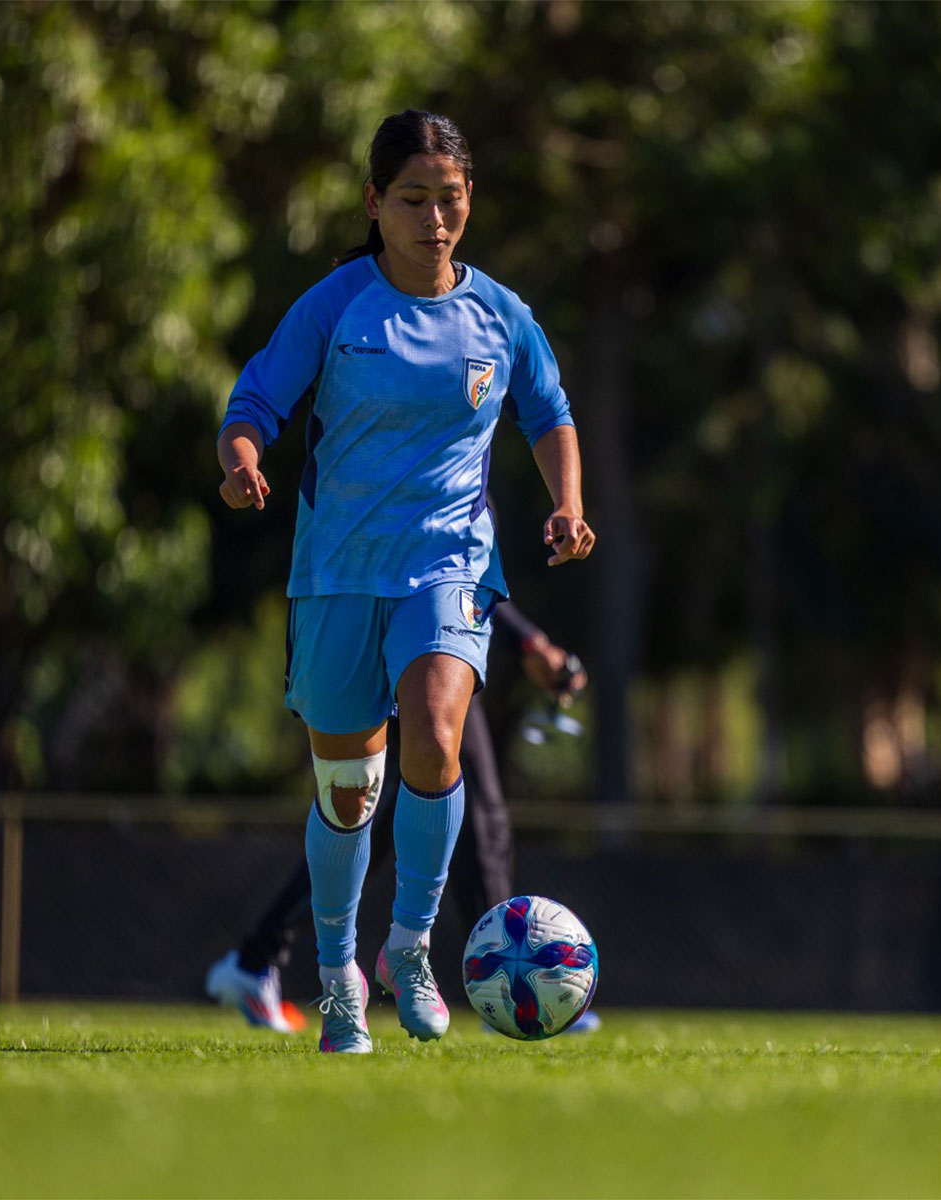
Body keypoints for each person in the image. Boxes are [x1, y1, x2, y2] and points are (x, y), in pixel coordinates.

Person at [215, 109, 594, 1054]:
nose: (434, 219)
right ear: (375, 204)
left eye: (451, 200)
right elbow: (255, 398)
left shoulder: (501, 315)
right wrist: (242, 457)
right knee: (350, 793)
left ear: (470, 202)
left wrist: (566, 502)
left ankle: (411, 947)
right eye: (414, 200)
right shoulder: (337, 305)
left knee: (434, 738)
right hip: (338, 573)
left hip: (450, 562)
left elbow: (548, 409)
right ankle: (338, 973)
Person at [204, 599, 591, 1034]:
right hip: (395, 611)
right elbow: (459, 550)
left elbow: (466, 555)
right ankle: (509, 977)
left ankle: (259, 956)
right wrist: (530, 642)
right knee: (377, 805)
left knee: (399, 814)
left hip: (436, 618)